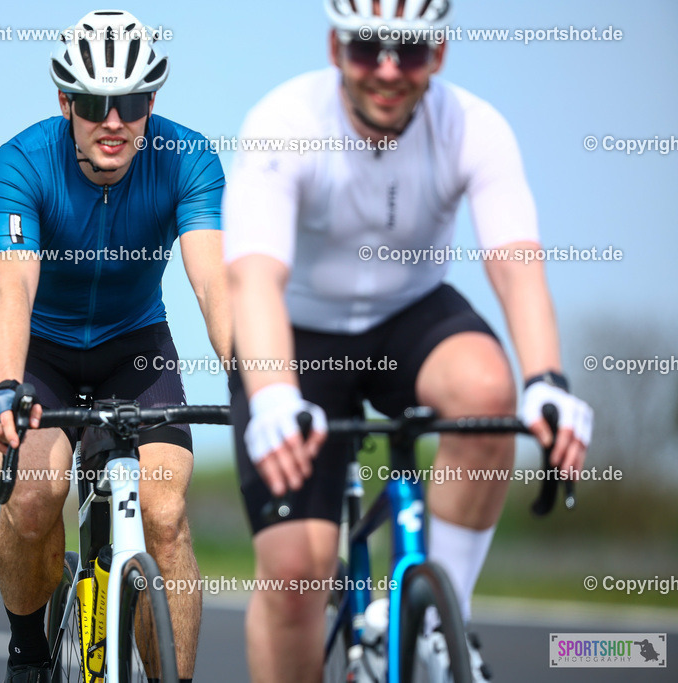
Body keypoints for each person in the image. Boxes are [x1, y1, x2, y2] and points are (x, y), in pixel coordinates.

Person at [224, 1, 593, 681]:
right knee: (297, 573)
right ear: (336, 47)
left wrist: (547, 378)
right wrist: (274, 394)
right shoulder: (284, 122)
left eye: (411, 51)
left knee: (489, 390)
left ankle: (428, 624)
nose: (389, 70)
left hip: (410, 314)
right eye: (368, 48)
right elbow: (253, 278)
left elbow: (516, 262)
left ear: (440, 57)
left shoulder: (473, 126)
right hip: (298, 333)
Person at [0, 9, 228, 683]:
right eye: (93, 103)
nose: (113, 120)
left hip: (134, 346)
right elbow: (12, 289)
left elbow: (213, 284)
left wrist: (250, 377)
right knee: (33, 498)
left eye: (132, 101)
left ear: (154, 100)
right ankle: (29, 653)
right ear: (65, 102)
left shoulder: (190, 159)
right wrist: (5, 386)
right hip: (41, 349)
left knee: (166, 512)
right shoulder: (23, 160)